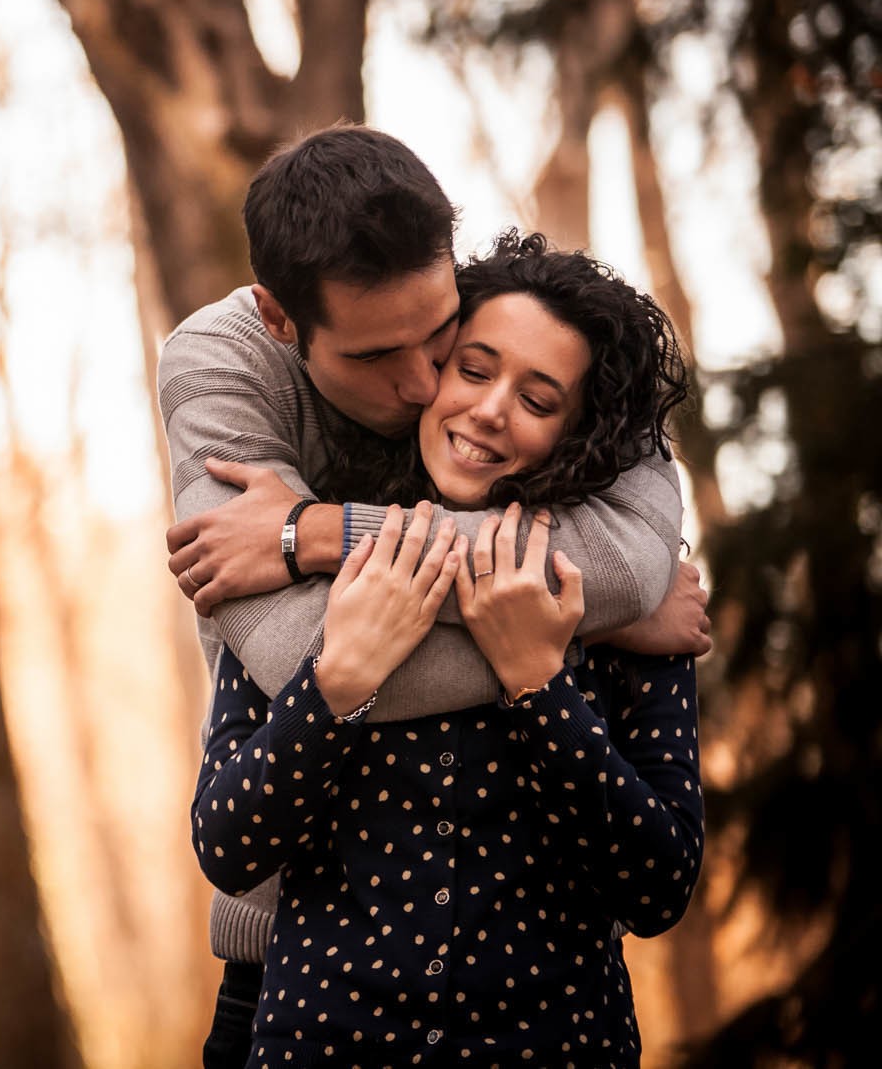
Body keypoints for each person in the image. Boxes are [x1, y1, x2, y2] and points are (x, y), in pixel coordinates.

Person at [153, 126, 711, 1067]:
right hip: (298, 1001)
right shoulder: (224, 371)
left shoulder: (570, 395)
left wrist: (321, 536)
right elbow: (292, 664)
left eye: (443, 337)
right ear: (283, 320)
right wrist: (568, 625)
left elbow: (658, 880)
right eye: (382, 357)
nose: (429, 388)